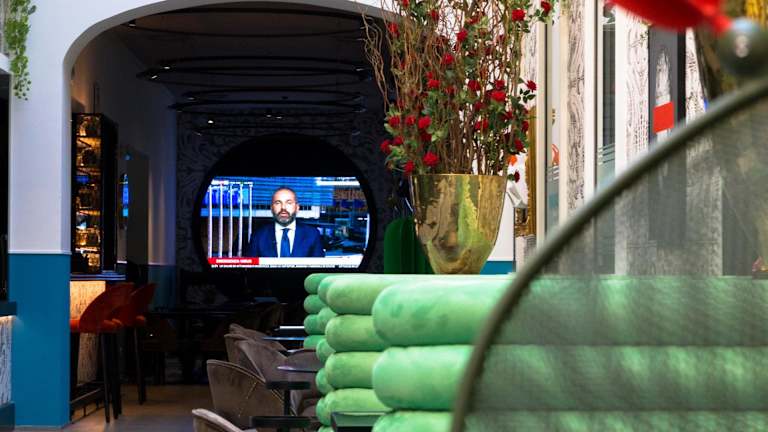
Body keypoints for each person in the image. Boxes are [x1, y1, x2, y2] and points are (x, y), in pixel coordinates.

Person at [245, 186, 325, 258]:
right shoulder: (259, 235)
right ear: (272, 208)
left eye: (289, 203)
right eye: (278, 203)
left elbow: (318, 268)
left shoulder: (312, 234)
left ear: (297, 208)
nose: (283, 208)